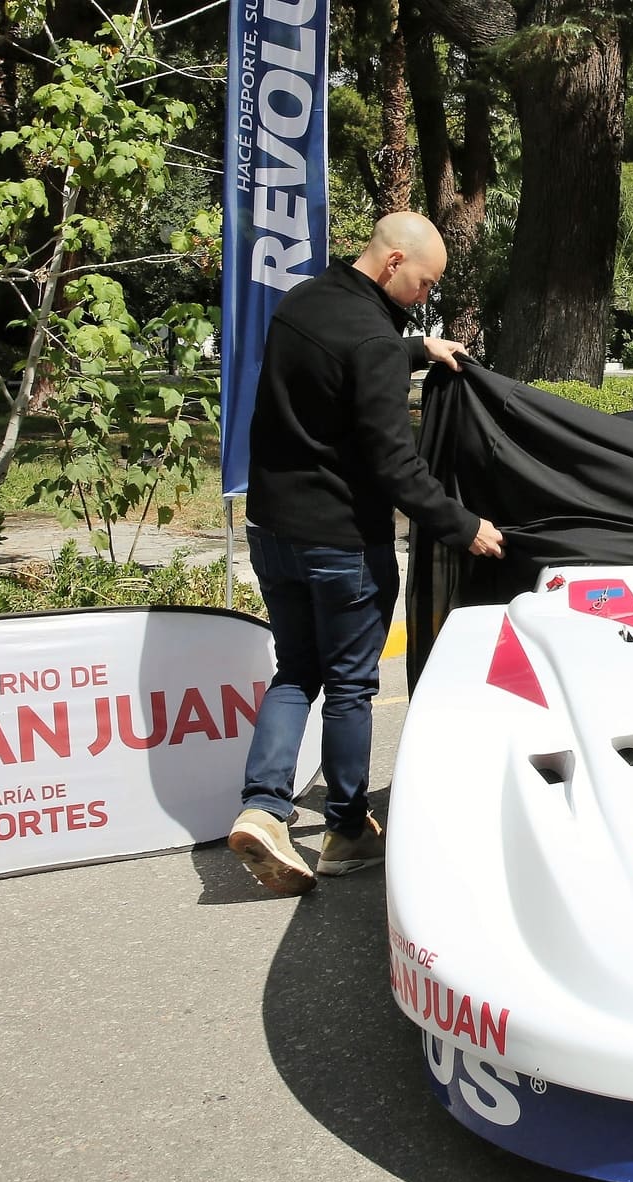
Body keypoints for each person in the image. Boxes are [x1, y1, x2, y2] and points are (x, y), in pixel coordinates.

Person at [227, 212, 507, 896]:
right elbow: (395, 465)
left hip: (271, 532)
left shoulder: (302, 302)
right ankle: (347, 827)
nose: (425, 295)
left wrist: (418, 348)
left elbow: (340, 366)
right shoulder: (374, 340)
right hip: (341, 542)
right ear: (392, 264)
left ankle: (263, 807)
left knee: (295, 670)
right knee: (352, 685)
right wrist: (461, 524)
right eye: (424, 282)